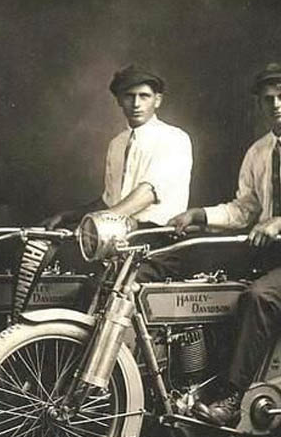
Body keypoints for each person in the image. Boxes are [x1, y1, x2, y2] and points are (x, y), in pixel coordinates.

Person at [168, 63, 281, 427]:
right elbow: (244, 209)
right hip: (274, 252)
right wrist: (199, 215)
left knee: (259, 297)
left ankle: (233, 399)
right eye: (268, 100)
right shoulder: (258, 152)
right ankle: (197, 385)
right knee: (205, 280)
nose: (276, 105)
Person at [43, 64, 193, 280]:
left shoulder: (174, 139)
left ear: (157, 100)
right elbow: (110, 201)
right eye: (129, 96)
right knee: (74, 281)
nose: (136, 104)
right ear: (119, 100)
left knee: (107, 290)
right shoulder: (117, 144)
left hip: (157, 245)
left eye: (144, 96)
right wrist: (67, 216)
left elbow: (148, 193)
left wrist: (97, 221)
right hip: (118, 243)